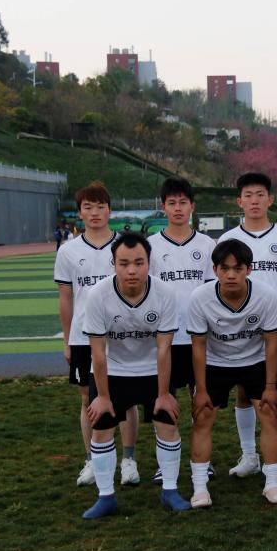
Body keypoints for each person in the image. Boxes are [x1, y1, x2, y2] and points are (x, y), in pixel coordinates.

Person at [81, 231, 191, 518]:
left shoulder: (165, 294)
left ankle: (170, 491)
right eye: (124, 263)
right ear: (113, 264)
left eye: (139, 263)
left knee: (167, 423)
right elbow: (98, 353)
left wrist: (164, 394)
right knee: (102, 427)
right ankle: (106, 497)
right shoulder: (98, 295)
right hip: (112, 370)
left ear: (149, 263)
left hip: (153, 370)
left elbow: (164, 349)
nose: (132, 270)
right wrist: (103, 396)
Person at [186, 239, 277, 507]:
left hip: (254, 360)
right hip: (215, 362)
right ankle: (200, 487)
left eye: (237, 268)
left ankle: (272, 482)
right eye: (224, 268)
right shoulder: (200, 297)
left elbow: (272, 343)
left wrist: (270, 387)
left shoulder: (267, 296)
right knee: (203, 415)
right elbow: (198, 347)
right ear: (215, 270)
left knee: (269, 411)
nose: (231, 275)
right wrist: (201, 390)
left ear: (249, 269)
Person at [54, 181, 140, 488]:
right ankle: (92, 460)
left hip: (122, 334)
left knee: (127, 398)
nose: (95, 212)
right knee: (87, 398)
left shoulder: (126, 246)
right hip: (83, 336)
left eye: (100, 206)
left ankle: (128, 460)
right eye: (88, 207)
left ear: (109, 210)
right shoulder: (68, 251)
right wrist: (68, 340)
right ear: (79, 213)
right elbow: (66, 298)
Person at [218, 173, 277, 477]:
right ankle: (249, 455)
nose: (254, 201)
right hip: (240, 328)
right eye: (248, 195)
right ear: (239, 201)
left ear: (270, 200)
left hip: (275, 327)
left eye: (260, 195)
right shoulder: (228, 240)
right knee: (244, 391)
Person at [147, 176, 216, 486]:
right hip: (164, 338)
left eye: (183, 203)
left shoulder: (207, 245)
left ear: (192, 207)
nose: (178, 208)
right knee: (163, 399)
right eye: (172, 203)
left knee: (201, 400)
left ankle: (203, 460)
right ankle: (166, 463)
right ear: (163, 207)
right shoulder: (151, 246)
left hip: (198, 337)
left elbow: (212, 292)